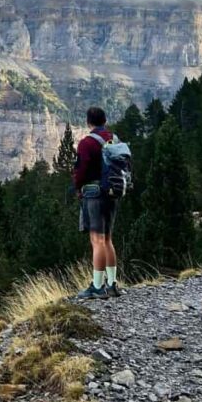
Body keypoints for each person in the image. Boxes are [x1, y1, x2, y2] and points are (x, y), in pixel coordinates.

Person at [73, 106, 122, 300]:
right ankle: (112, 284)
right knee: (108, 239)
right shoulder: (115, 139)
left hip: (94, 194)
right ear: (105, 120)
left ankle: (97, 286)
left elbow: (81, 170)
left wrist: (77, 186)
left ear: (88, 122)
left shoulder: (87, 143)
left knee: (97, 241)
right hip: (113, 192)